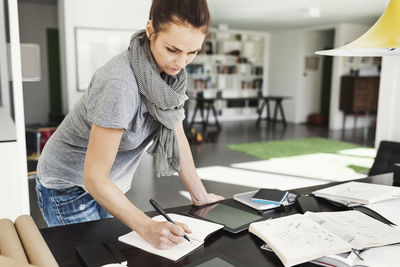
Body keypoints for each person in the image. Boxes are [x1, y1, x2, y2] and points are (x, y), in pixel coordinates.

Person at [35, 0, 224, 250]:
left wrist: (200, 196)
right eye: (173, 49)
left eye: (193, 52)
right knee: (93, 258)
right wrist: (147, 227)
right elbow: (94, 178)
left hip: (107, 185)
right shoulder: (119, 83)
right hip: (69, 188)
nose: (181, 62)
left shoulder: (170, 80)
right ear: (150, 30)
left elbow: (177, 135)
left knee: (110, 254)